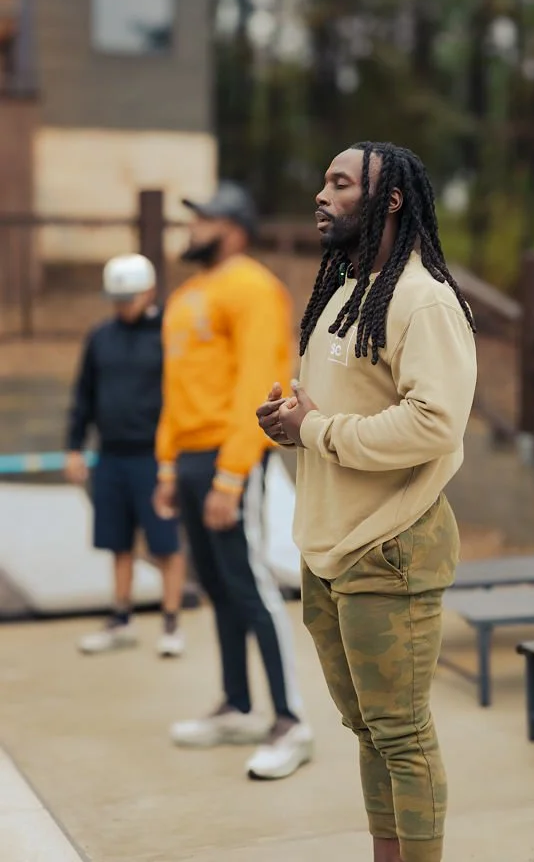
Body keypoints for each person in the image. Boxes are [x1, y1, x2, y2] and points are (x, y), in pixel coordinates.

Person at [257, 143, 477, 862]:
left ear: (389, 201)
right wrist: (291, 425)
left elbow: (432, 424)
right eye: (322, 180)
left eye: (340, 183)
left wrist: (315, 427)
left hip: (390, 546)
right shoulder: (344, 294)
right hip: (327, 547)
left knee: (402, 734)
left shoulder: (424, 301)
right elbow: (336, 415)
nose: (320, 194)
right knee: (368, 730)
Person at [153, 181, 312, 781]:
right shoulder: (187, 295)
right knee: (217, 585)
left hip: (228, 456)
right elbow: (175, 388)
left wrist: (230, 473)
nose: (192, 228)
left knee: (249, 585)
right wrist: (167, 466)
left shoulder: (253, 288)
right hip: (189, 458)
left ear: (235, 230)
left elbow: (261, 380)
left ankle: (290, 719)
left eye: (204, 219)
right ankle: (237, 704)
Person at [65, 254, 185, 658]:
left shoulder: (170, 333)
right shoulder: (100, 337)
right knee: (118, 542)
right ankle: (121, 619)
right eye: (115, 298)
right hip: (111, 456)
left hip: (155, 455)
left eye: (128, 297)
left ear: (149, 291)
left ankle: (171, 623)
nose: (121, 305)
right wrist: (74, 446)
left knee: (165, 542)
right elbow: (83, 396)